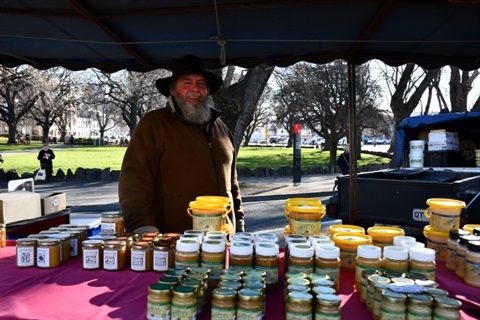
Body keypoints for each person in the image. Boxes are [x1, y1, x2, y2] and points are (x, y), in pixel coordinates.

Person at [118, 54, 245, 235]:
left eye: (201, 84)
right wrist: (143, 228)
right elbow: (133, 182)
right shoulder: (153, 125)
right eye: (187, 83)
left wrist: (238, 219)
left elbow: (232, 181)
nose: (195, 89)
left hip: (222, 239)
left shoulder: (220, 127)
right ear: (173, 90)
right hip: (174, 241)